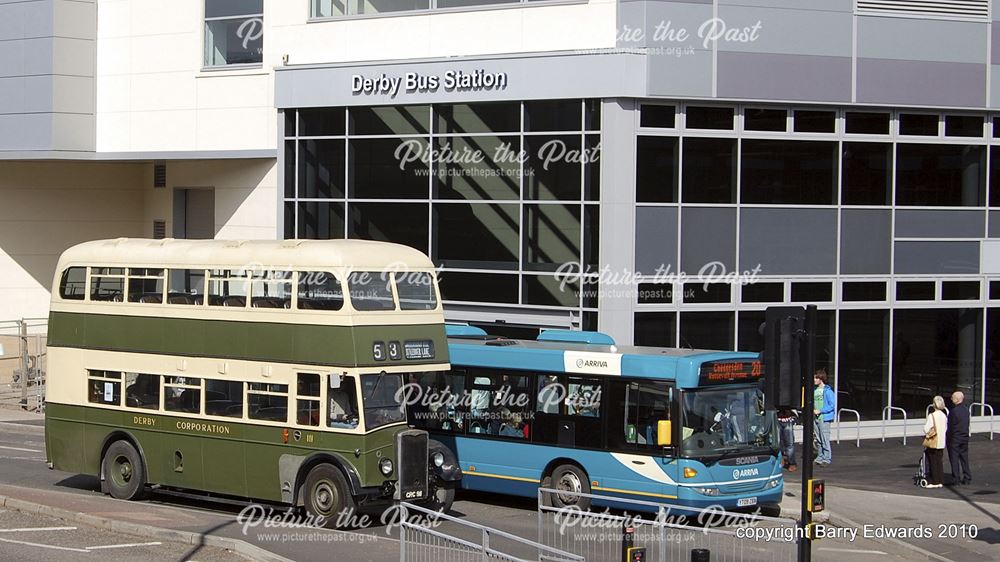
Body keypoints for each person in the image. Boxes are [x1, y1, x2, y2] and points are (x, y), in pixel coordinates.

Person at [947, 391, 972, 485]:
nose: (951, 399)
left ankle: (956, 478)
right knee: (964, 457)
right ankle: (967, 476)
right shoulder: (966, 410)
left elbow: (951, 426)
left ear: (957, 399)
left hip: (955, 438)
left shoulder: (953, 412)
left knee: (954, 458)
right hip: (964, 437)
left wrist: (948, 438)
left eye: (952, 397)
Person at [923, 395, 948, 488]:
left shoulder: (932, 415)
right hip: (941, 441)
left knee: (932, 461)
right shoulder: (944, 415)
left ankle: (934, 481)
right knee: (939, 461)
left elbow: (926, 428)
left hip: (933, 441)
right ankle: (940, 480)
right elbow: (945, 428)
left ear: (934, 404)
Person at [813, 370, 836, 466]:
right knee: (818, 439)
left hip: (824, 418)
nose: (814, 380)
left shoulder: (828, 391)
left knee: (824, 438)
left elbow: (832, 405)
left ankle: (826, 458)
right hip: (815, 418)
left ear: (821, 379)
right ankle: (820, 456)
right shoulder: (814, 390)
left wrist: (821, 410)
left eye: (816, 378)